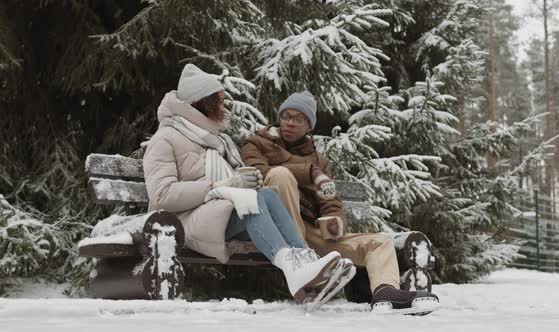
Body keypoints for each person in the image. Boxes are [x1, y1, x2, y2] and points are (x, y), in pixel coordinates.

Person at [143, 65, 351, 304]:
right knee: (254, 201)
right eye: (218, 102)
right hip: (181, 221)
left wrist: (246, 181)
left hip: (215, 214)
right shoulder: (165, 138)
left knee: (267, 196)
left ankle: (307, 266)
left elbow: (236, 185)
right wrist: (221, 185)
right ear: (200, 103)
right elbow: (161, 196)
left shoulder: (218, 140)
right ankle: (294, 271)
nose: (224, 107)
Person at [240, 90, 439, 313]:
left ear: (309, 126)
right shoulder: (256, 143)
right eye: (286, 116)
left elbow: (330, 200)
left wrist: (336, 221)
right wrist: (310, 172)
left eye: (298, 119)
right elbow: (258, 173)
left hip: (311, 232)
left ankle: (385, 293)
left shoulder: (320, 161)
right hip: (275, 227)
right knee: (279, 175)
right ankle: (303, 263)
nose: (290, 123)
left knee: (378, 242)